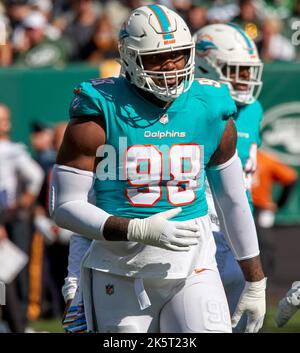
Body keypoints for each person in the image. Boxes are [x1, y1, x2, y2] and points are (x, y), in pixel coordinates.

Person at [50, 4, 266, 333]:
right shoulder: (99, 111)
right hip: (118, 269)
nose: (170, 66)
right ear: (129, 57)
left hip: (194, 264)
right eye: (155, 57)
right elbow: (64, 207)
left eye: (178, 55)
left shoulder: (210, 106)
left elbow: (233, 200)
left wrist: (255, 280)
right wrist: (137, 229)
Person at [193, 23, 264, 332]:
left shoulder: (254, 109)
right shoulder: (192, 106)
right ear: (205, 67)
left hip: (238, 223)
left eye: (249, 71)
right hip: (198, 223)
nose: (247, 79)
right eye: (238, 71)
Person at [0, 103, 44, 332]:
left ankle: (19, 321)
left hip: (11, 217)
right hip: (5, 217)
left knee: (12, 271)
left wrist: (23, 200)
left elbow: (35, 175)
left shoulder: (12, 150)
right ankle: (8, 318)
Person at [251, 149, 298, 276]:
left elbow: (290, 177)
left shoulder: (263, 159)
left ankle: (264, 278)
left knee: (263, 242)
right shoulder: (261, 158)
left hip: (259, 207)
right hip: (247, 206)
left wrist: (280, 203)